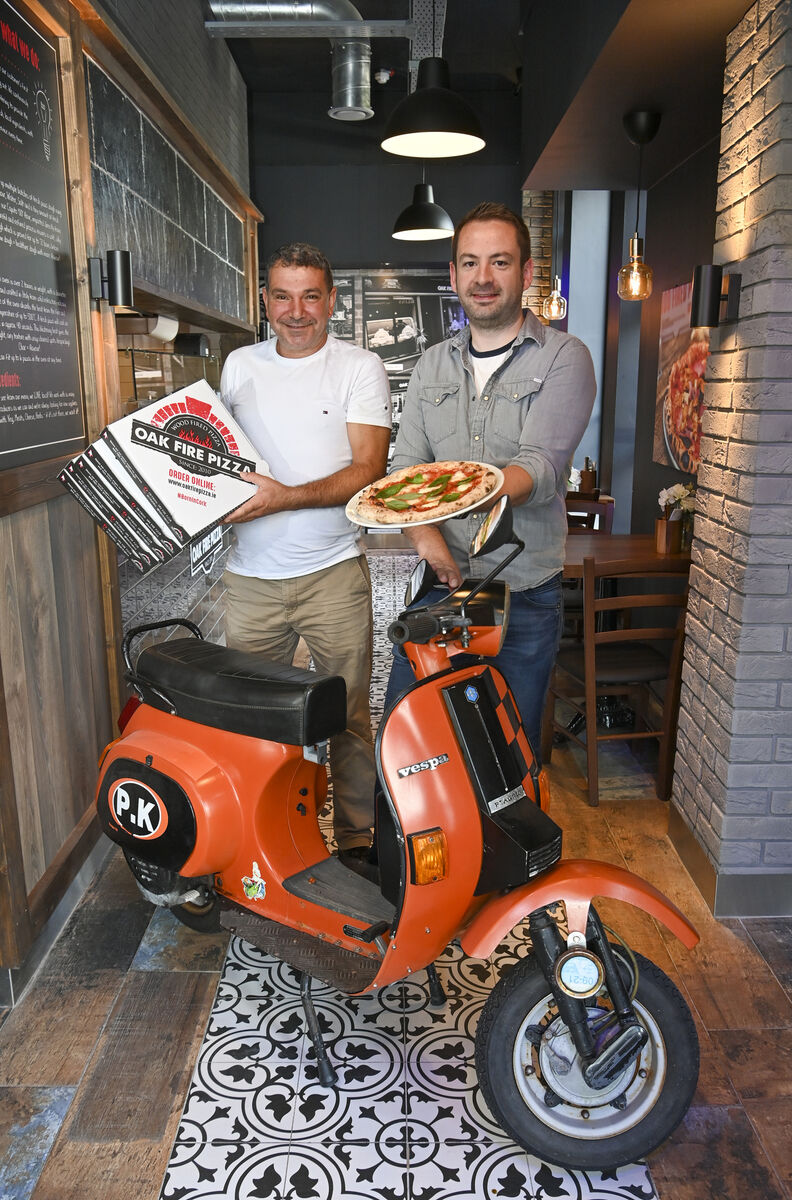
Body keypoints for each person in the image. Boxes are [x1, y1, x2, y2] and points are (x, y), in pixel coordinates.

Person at [384, 202, 596, 762]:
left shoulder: (564, 358)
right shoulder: (430, 364)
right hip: (441, 585)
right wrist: (428, 541)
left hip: (523, 592)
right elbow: (404, 469)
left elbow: (542, 470)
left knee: (507, 752)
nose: (483, 278)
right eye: (470, 263)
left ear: (526, 274)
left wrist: (458, 486)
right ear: (453, 276)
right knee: (411, 740)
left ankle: (500, 849)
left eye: (499, 262)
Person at [220, 242, 391, 879]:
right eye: (283, 296)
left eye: (310, 296)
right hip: (250, 583)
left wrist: (280, 500)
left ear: (332, 302)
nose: (296, 311)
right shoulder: (239, 366)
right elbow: (216, 462)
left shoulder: (359, 367)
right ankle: (257, 835)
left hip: (332, 576)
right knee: (253, 723)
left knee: (346, 717)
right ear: (265, 301)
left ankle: (356, 841)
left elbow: (369, 471)